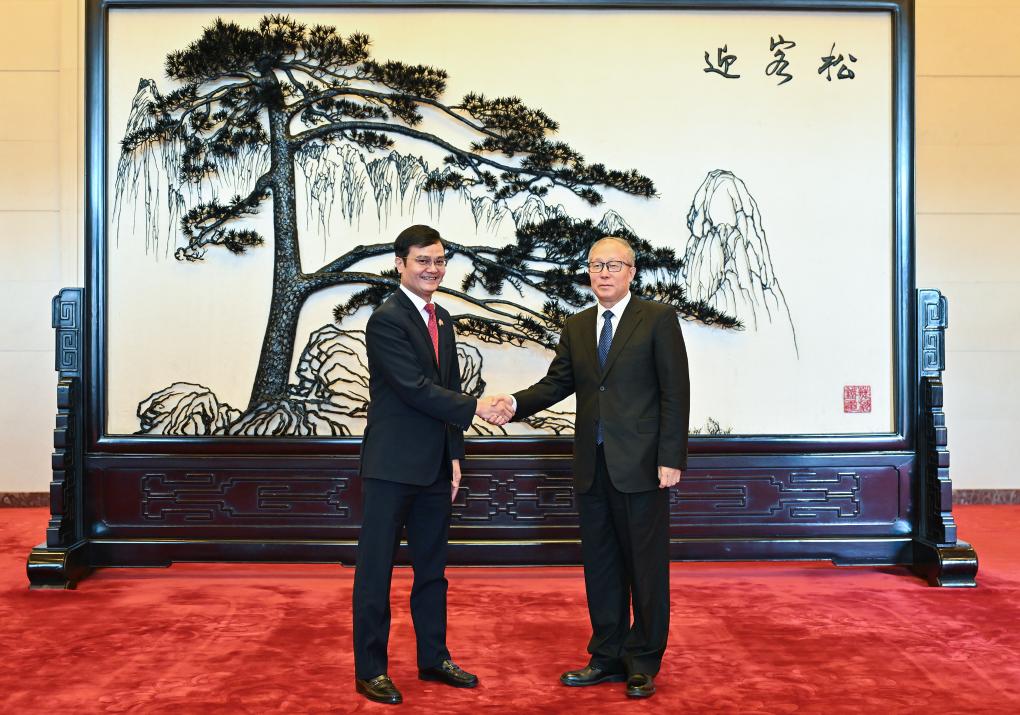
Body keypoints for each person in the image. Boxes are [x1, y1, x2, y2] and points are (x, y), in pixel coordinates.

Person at [494, 236, 689, 699]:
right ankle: (606, 656)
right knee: (601, 565)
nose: (603, 273)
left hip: (643, 465)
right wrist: (514, 403)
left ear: (631, 272)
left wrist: (670, 458)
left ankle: (642, 660)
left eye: (613, 265)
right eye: (596, 265)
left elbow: (675, 392)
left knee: (645, 567)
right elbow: (557, 383)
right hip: (592, 464)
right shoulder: (578, 325)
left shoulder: (657, 318)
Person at [353, 224, 511, 705]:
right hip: (390, 467)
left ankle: (434, 657)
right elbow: (414, 389)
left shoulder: (442, 317)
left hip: (436, 467)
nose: (433, 269)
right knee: (376, 570)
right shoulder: (386, 320)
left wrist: (455, 455)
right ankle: (371, 670)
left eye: (440, 260)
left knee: (432, 571)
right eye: (423, 260)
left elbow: (447, 388)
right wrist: (479, 407)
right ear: (400, 263)